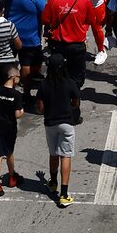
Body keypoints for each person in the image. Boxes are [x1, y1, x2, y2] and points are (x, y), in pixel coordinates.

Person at [36, 48, 78, 207]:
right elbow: (76, 103)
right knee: (65, 156)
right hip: (67, 124)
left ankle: (52, 182)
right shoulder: (70, 83)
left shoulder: (44, 85)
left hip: (50, 124)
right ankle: (64, 194)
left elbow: (40, 108)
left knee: (53, 154)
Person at [41, 0, 93, 92]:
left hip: (57, 44)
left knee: (55, 73)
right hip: (77, 45)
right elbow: (90, 20)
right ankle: (74, 99)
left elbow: (45, 20)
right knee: (76, 76)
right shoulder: (84, 0)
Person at [7, 0, 48, 103]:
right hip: (29, 36)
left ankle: (8, 89)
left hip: (9, 35)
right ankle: (26, 92)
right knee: (26, 65)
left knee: (8, 63)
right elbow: (45, 11)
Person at [0, 59, 22, 197]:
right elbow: (17, 114)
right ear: (13, 78)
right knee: (9, 152)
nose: (19, 79)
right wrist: (21, 112)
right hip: (9, 127)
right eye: (18, 76)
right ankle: (12, 177)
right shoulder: (16, 95)